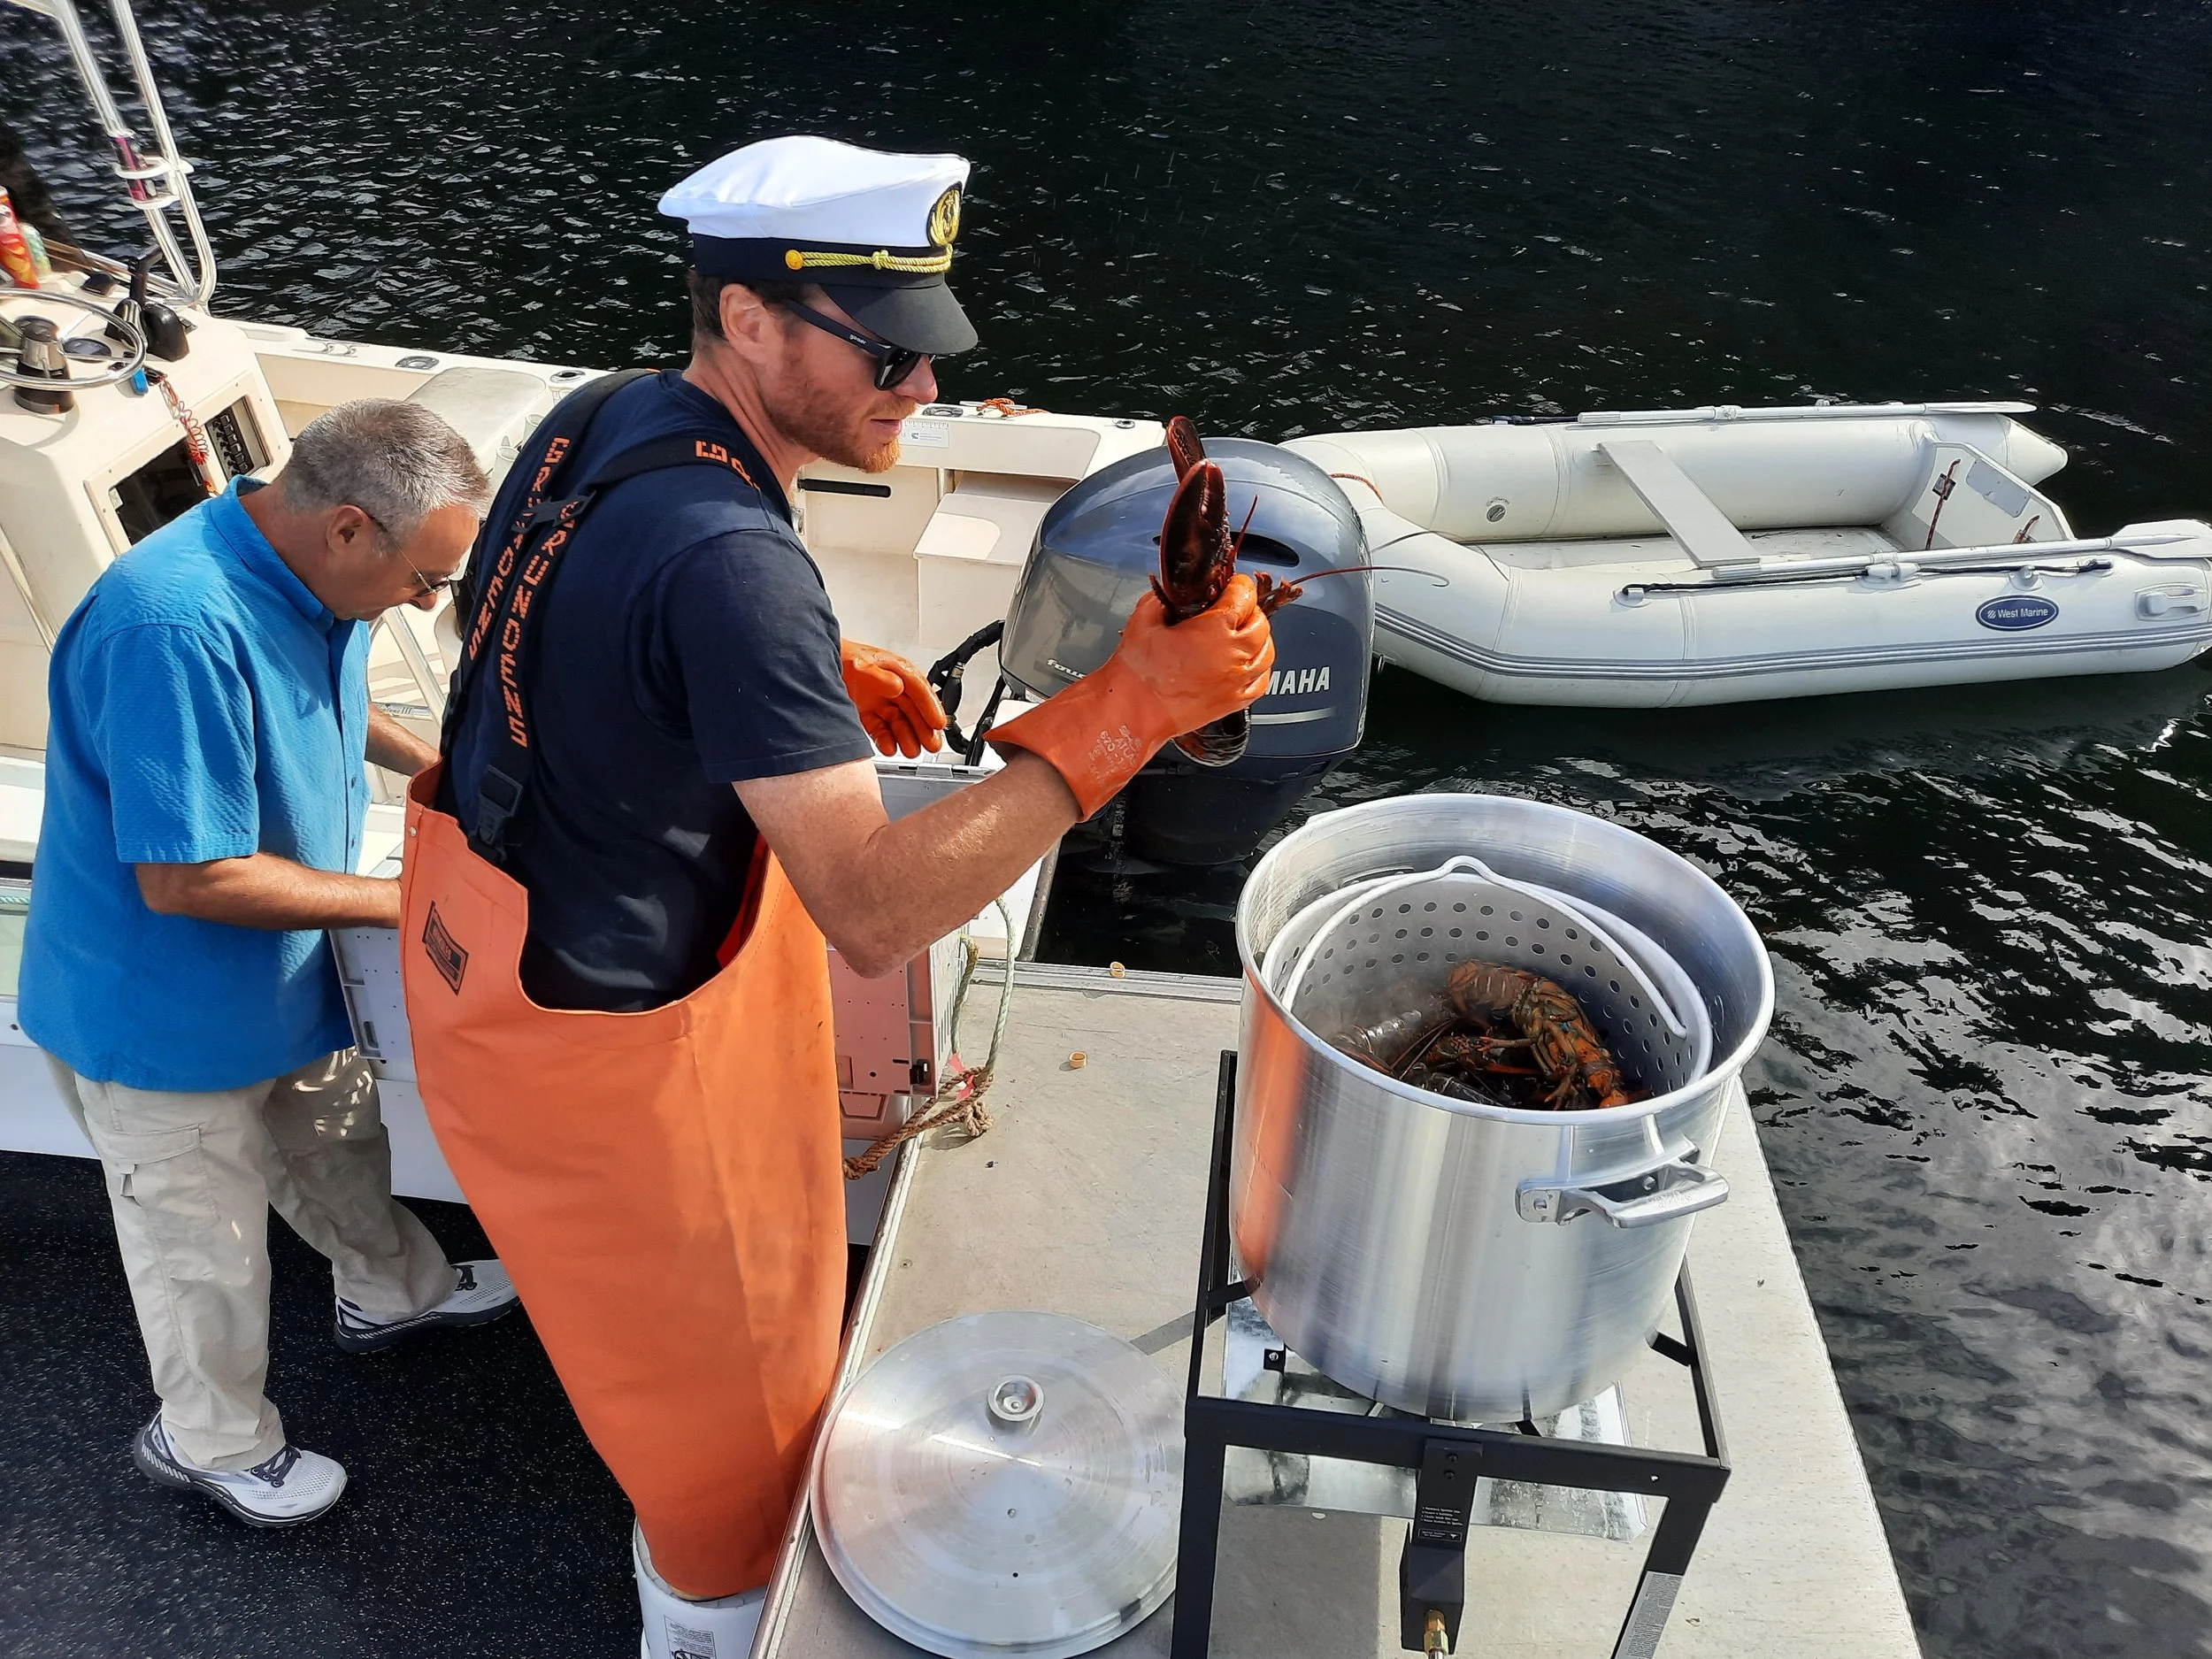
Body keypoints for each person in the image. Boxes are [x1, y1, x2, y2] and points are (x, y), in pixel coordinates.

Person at [406, 134, 1273, 1658]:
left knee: (650, 1378)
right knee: (726, 1457)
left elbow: (514, 627)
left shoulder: (600, 420)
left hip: (493, 987)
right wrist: (1127, 709)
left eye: (931, 352)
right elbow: (873, 909)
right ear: (750, 322)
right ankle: (715, 1624)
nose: (922, 390)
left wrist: (776, 705)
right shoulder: (731, 560)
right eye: (886, 351)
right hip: (625, 1088)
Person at [19, 401, 523, 1528]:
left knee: (337, 1146)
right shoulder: (173, 624)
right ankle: (211, 1443)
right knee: (203, 1248)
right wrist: (421, 901)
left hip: (283, 980)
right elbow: (188, 880)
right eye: (425, 578)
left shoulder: (303, 570)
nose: (428, 602)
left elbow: (332, 699)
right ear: (350, 527)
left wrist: (443, 763)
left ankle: (393, 1294)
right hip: (158, 1017)